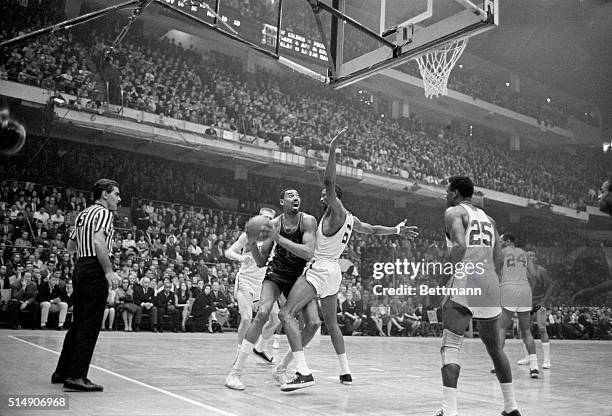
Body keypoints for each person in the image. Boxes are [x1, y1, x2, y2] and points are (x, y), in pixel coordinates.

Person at [276, 127, 419, 391]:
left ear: (334, 198)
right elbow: (374, 229)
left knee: (287, 313)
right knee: (329, 323)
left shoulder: (336, 210)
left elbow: (329, 182)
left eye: (325, 195)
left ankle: (302, 372)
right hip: (334, 273)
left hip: (320, 269)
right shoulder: (352, 219)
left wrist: (332, 151)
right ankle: (345, 372)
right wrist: (397, 230)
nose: (321, 196)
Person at [435, 176, 520, 416]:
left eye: (446, 191)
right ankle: (511, 406)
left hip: (465, 278)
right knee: (495, 348)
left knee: (450, 345)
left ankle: (449, 411)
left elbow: (460, 246)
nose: (445, 196)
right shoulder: (489, 220)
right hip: (489, 282)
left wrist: (444, 278)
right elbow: (499, 258)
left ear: (454, 193)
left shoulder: (453, 212)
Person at [225, 187, 320, 391]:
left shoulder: (308, 221)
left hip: (299, 277)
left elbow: (308, 253)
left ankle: (281, 369)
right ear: (282, 202)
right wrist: (251, 243)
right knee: (262, 314)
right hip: (276, 275)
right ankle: (235, 373)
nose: (296, 197)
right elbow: (261, 262)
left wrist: (278, 239)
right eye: (290, 195)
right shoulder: (275, 224)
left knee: (313, 323)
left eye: (297, 195)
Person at [53, 179, 121, 392]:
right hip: (94, 269)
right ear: (104, 194)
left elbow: (70, 245)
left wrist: (85, 257)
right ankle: (76, 376)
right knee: (90, 325)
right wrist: (108, 271)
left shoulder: (83, 214)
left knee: (78, 323)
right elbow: (100, 242)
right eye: (116, 194)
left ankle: (62, 371)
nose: (119, 199)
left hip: (81, 266)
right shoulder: (104, 214)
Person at [224, 207, 281, 362]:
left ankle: (260, 349)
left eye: (269, 219)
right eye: (263, 217)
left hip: (263, 283)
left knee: (276, 319)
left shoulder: (274, 239)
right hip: (246, 280)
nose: (266, 220)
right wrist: (241, 258)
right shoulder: (247, 236)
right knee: (247, 318)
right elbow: (228, 252)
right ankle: (239, 352)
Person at [492, 234, 539, 378]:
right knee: (526, 331)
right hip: (525, 291)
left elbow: (495, 268)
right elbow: (534, 275)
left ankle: (498, 365)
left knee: (501, 328)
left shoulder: (503, 252)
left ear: (507, 242)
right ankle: (534, 367)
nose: (499, 244)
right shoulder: (525, 253)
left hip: (509, 289)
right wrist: (529, 289)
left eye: (501, 241)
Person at [517, 251, 552, 369]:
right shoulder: (521, 270)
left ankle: (547, 360)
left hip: (539, 303)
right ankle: (527, 357)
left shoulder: (541, 270)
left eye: (532, 256)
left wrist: (544, 301)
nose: (530, 258)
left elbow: (550, 286)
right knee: (524, 330)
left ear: (536, 258)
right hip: (526, 303)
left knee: (542, 328)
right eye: (528, 256)